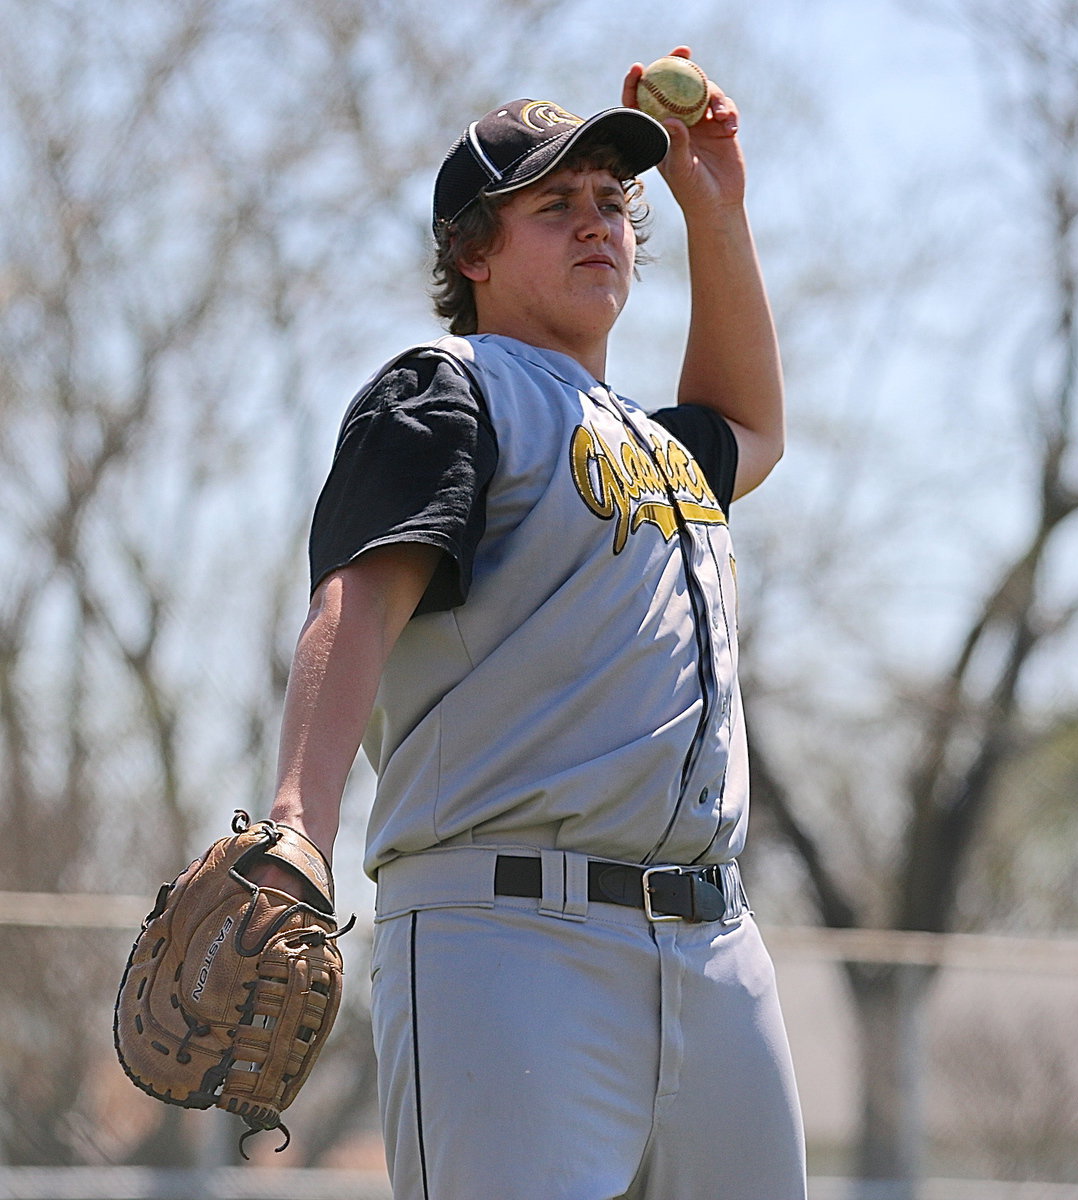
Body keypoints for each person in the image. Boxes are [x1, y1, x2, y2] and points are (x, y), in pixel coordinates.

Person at [262, 46, 806, 1200]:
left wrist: (717, 209)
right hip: (508, 939)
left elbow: (750, 425)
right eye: (553, 207)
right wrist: (298, 825)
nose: (597, 224)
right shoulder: (450, 388)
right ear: (471, 251)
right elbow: (355, 598)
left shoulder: (658, 447)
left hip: (713, 947)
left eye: (612, 203)